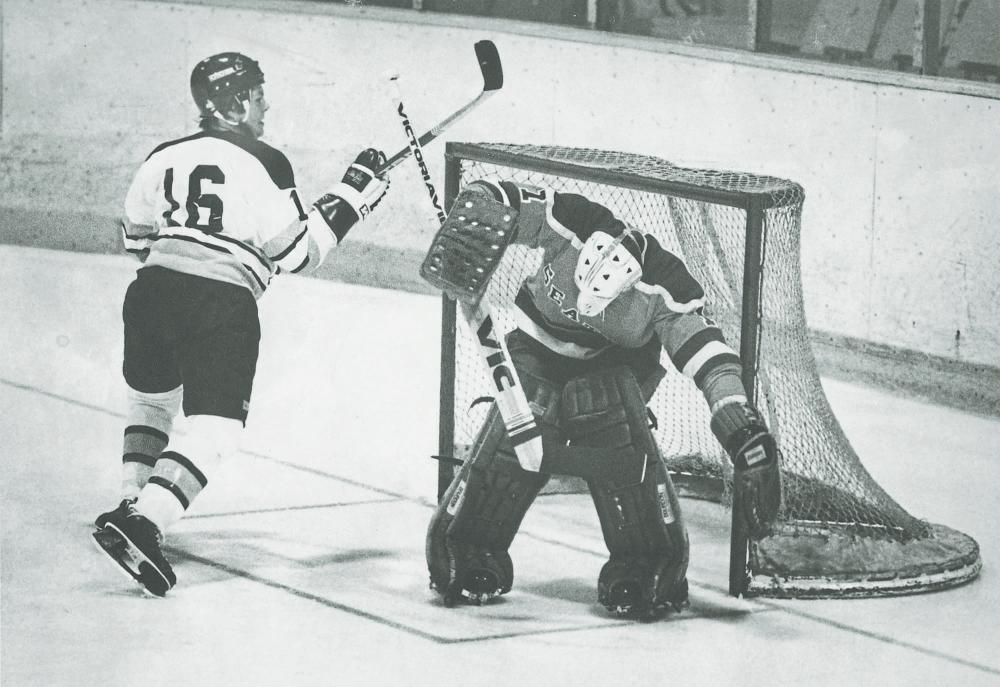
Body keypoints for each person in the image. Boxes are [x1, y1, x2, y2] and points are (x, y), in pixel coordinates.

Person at [91, 52, 390, 596]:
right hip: (219, 304)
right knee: (216, 427)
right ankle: (146, 521)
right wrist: (353, 197)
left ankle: (131, 501)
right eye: (256, 94)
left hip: (151, 294)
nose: (265, 104)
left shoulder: (162, 156)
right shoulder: (266, 160)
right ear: (231, 105)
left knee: (152, 402)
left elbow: (135, 239)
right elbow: (297, 253)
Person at [423, 178, 782, 618]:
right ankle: (469, 546)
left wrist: (737, 418)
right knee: (522, 422)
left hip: (611, 371)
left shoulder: (666, 287)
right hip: (536, 349)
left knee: (610, 420)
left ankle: (645, 562)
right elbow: (511, 201)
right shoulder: (572, 220)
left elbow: (710, 355)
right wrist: (482, 201)